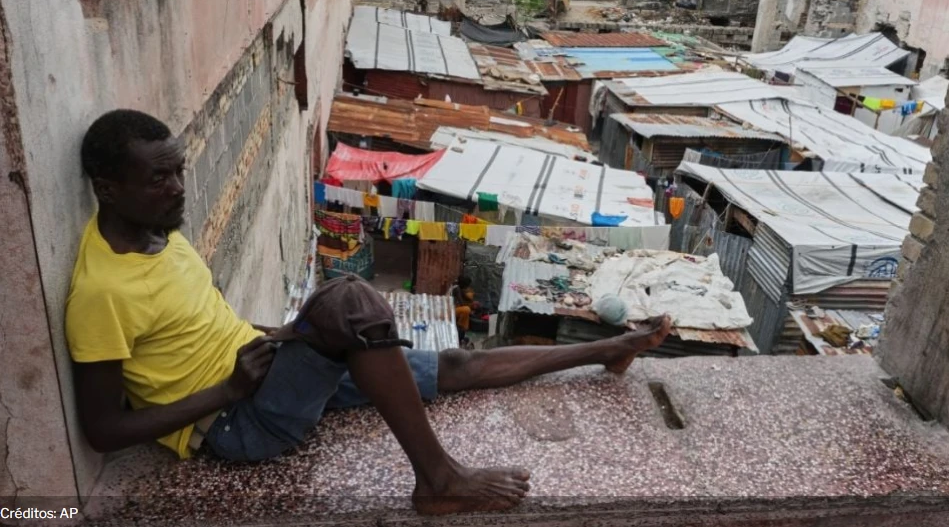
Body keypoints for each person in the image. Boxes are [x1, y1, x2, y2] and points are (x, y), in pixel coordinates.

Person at [66, 109, 673, 516]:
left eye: (178, 172)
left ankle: (606, 349)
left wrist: (277, 337)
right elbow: (103, 431)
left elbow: (196, 327)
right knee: (349, 300)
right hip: (236, 424)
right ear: (108, 188)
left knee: (456, 361)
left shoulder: (159, 235)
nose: (177, 189)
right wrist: (225, 391)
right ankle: (438, 479)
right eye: (158, 179)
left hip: (265, 371)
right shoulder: (101, 291)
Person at [452, 276, 477, 347]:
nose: (468, 287)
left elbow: (467, 299)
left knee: (467, 310)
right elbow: (462, 303)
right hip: (450, 310)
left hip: (454, 308)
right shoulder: (456, 289)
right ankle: (461, 329)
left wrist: (473, 302)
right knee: (466, 309)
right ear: (464, 284)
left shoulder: (459, 288)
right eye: (467, 285)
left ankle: (462, 332)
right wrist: (471, 307)